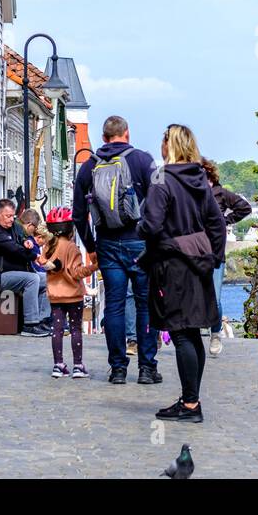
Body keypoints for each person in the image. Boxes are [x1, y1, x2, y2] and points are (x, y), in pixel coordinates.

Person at [138, 124, 228, 423]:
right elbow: (216, 223)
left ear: (170, 145)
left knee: (180, 334)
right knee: (192, 333)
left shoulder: (161, 179)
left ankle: (190, 405)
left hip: (172, 264)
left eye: (163, 141)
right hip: (198, 264)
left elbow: (150, 225)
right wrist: (213, 256)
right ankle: (192, 399)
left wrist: (143, 229)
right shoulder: (199, 178)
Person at [73, 115, 160, 385]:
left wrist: (91, 247)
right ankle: (146, 368)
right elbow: (159, 202)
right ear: (127, 133)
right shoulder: (143, 160)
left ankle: (118, 368)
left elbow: (78, 215)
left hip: (107, 244)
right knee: (146, 305)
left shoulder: (89, 167)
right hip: (140, 242)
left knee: (114, 306)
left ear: (103, 138)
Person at [0, 198, 51, 336]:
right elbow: (14, 249)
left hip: (14, 272)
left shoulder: (13, 227)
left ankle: (42, 321)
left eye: (12, 216)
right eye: (7, 216)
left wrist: (26, 242)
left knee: (49, 279)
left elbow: (21, 239)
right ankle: (30, 325)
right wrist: (35, 257)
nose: (11, 219)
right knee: (32, 279)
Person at [201, 158, 252, 356]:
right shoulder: (193, 195)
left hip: (215, 251)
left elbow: (244, 207)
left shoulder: (221, 193)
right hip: (195, 251)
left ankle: (215, 333)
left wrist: (225, 220)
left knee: (214, 296)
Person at [38, 208, 97, 378]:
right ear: (71, 229)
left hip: (55, 296)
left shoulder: (48, 247)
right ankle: (78, 366)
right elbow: (77, 272)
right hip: (73, 296)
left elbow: (47, 265)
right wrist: (94, 266)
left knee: (57, 329)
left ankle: (58, 365)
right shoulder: (72, 248)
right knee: (75, 329)